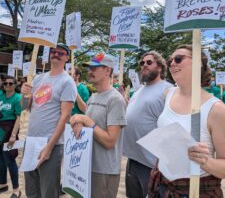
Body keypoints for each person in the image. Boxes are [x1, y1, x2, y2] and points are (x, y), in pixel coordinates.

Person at [148, 44, 225, 197]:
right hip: (161, 185)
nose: (172, 64)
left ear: (198, 63)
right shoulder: (168, 93)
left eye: (178, 59)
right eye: (170, 61)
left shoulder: (217, 109)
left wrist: (205, 161)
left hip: (196, 190)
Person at [21, 43, 77, 198]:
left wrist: (49, 148)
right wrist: (24, 93)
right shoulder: (39, 78)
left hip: (51, 144)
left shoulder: (67, 82)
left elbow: (64, 116)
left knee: (48, 192)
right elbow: (26, 107)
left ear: (66, 57)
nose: (56, 54)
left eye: (60, 53)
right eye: (53, 51)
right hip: (31, 142)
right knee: (32, 191)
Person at [70, 52, 127, 198]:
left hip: (105, 171)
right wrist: (79, 124)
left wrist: (87, 121)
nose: (90, 71)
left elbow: (109, 141)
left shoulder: (115, 100)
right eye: (89, 68)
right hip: (87, 166)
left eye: (94, 68)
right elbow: (90, 128)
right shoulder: (93, 97)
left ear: (108, 70)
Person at [123, 51, 172, 198]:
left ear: (160, 67)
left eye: (149, 62)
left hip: (151, 164)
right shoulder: (139, 90)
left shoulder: (168, 90)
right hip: (133, 159)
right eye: (142, 63)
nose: (144, 65)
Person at [0, 75, 22, 198]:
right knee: (0, 160)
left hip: (9, 130)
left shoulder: (17, 98)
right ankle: (2, 183)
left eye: (10, 83)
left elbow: (19, 117)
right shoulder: (0, 95)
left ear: (15, 85)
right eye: (5, 83)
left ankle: (16, 190)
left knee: (10, 160)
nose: (7, 85)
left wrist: (13, 135)